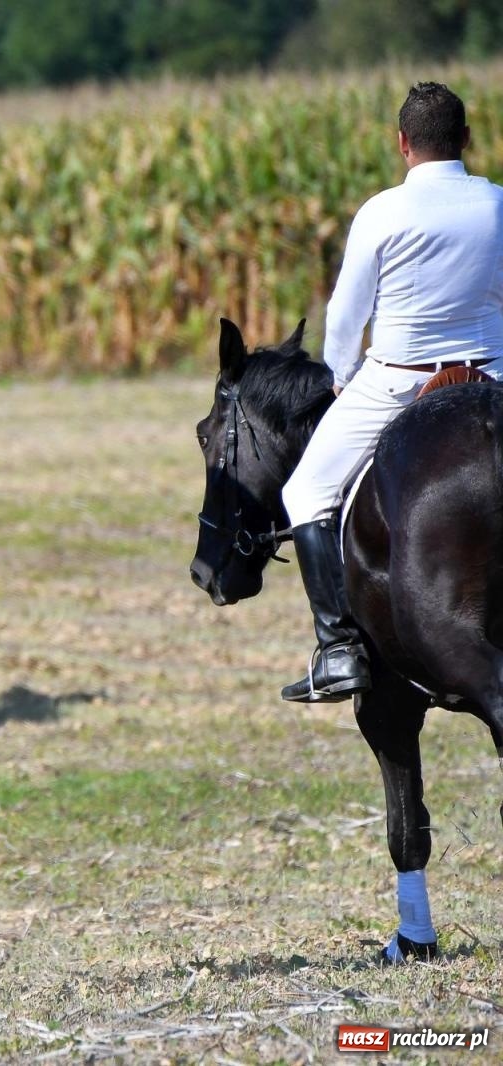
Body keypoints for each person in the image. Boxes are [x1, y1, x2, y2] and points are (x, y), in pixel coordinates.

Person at [279, 81, 503, 703]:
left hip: (401, 379)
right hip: (494, 371)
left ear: (403, 143)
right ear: (466, 139)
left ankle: (339, 648)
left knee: (305, 492)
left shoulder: (382, 212)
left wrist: (342, 377)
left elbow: (346, 317)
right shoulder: (498, 204)